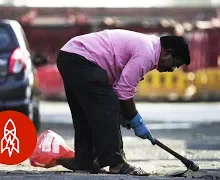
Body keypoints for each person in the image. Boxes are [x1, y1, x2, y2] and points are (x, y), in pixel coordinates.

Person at [56, 29, 190, 176]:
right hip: (80, 57)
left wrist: (124, 114)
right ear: (166, 52)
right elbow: (123, 93)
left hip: (69, 56)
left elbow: (118, 88)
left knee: (87, 113)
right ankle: (117, 164)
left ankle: (85, 163)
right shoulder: (147, 53)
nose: (172, 70)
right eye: (175, 64)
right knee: (107, 105)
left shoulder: (149, 47)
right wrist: (136, 121)